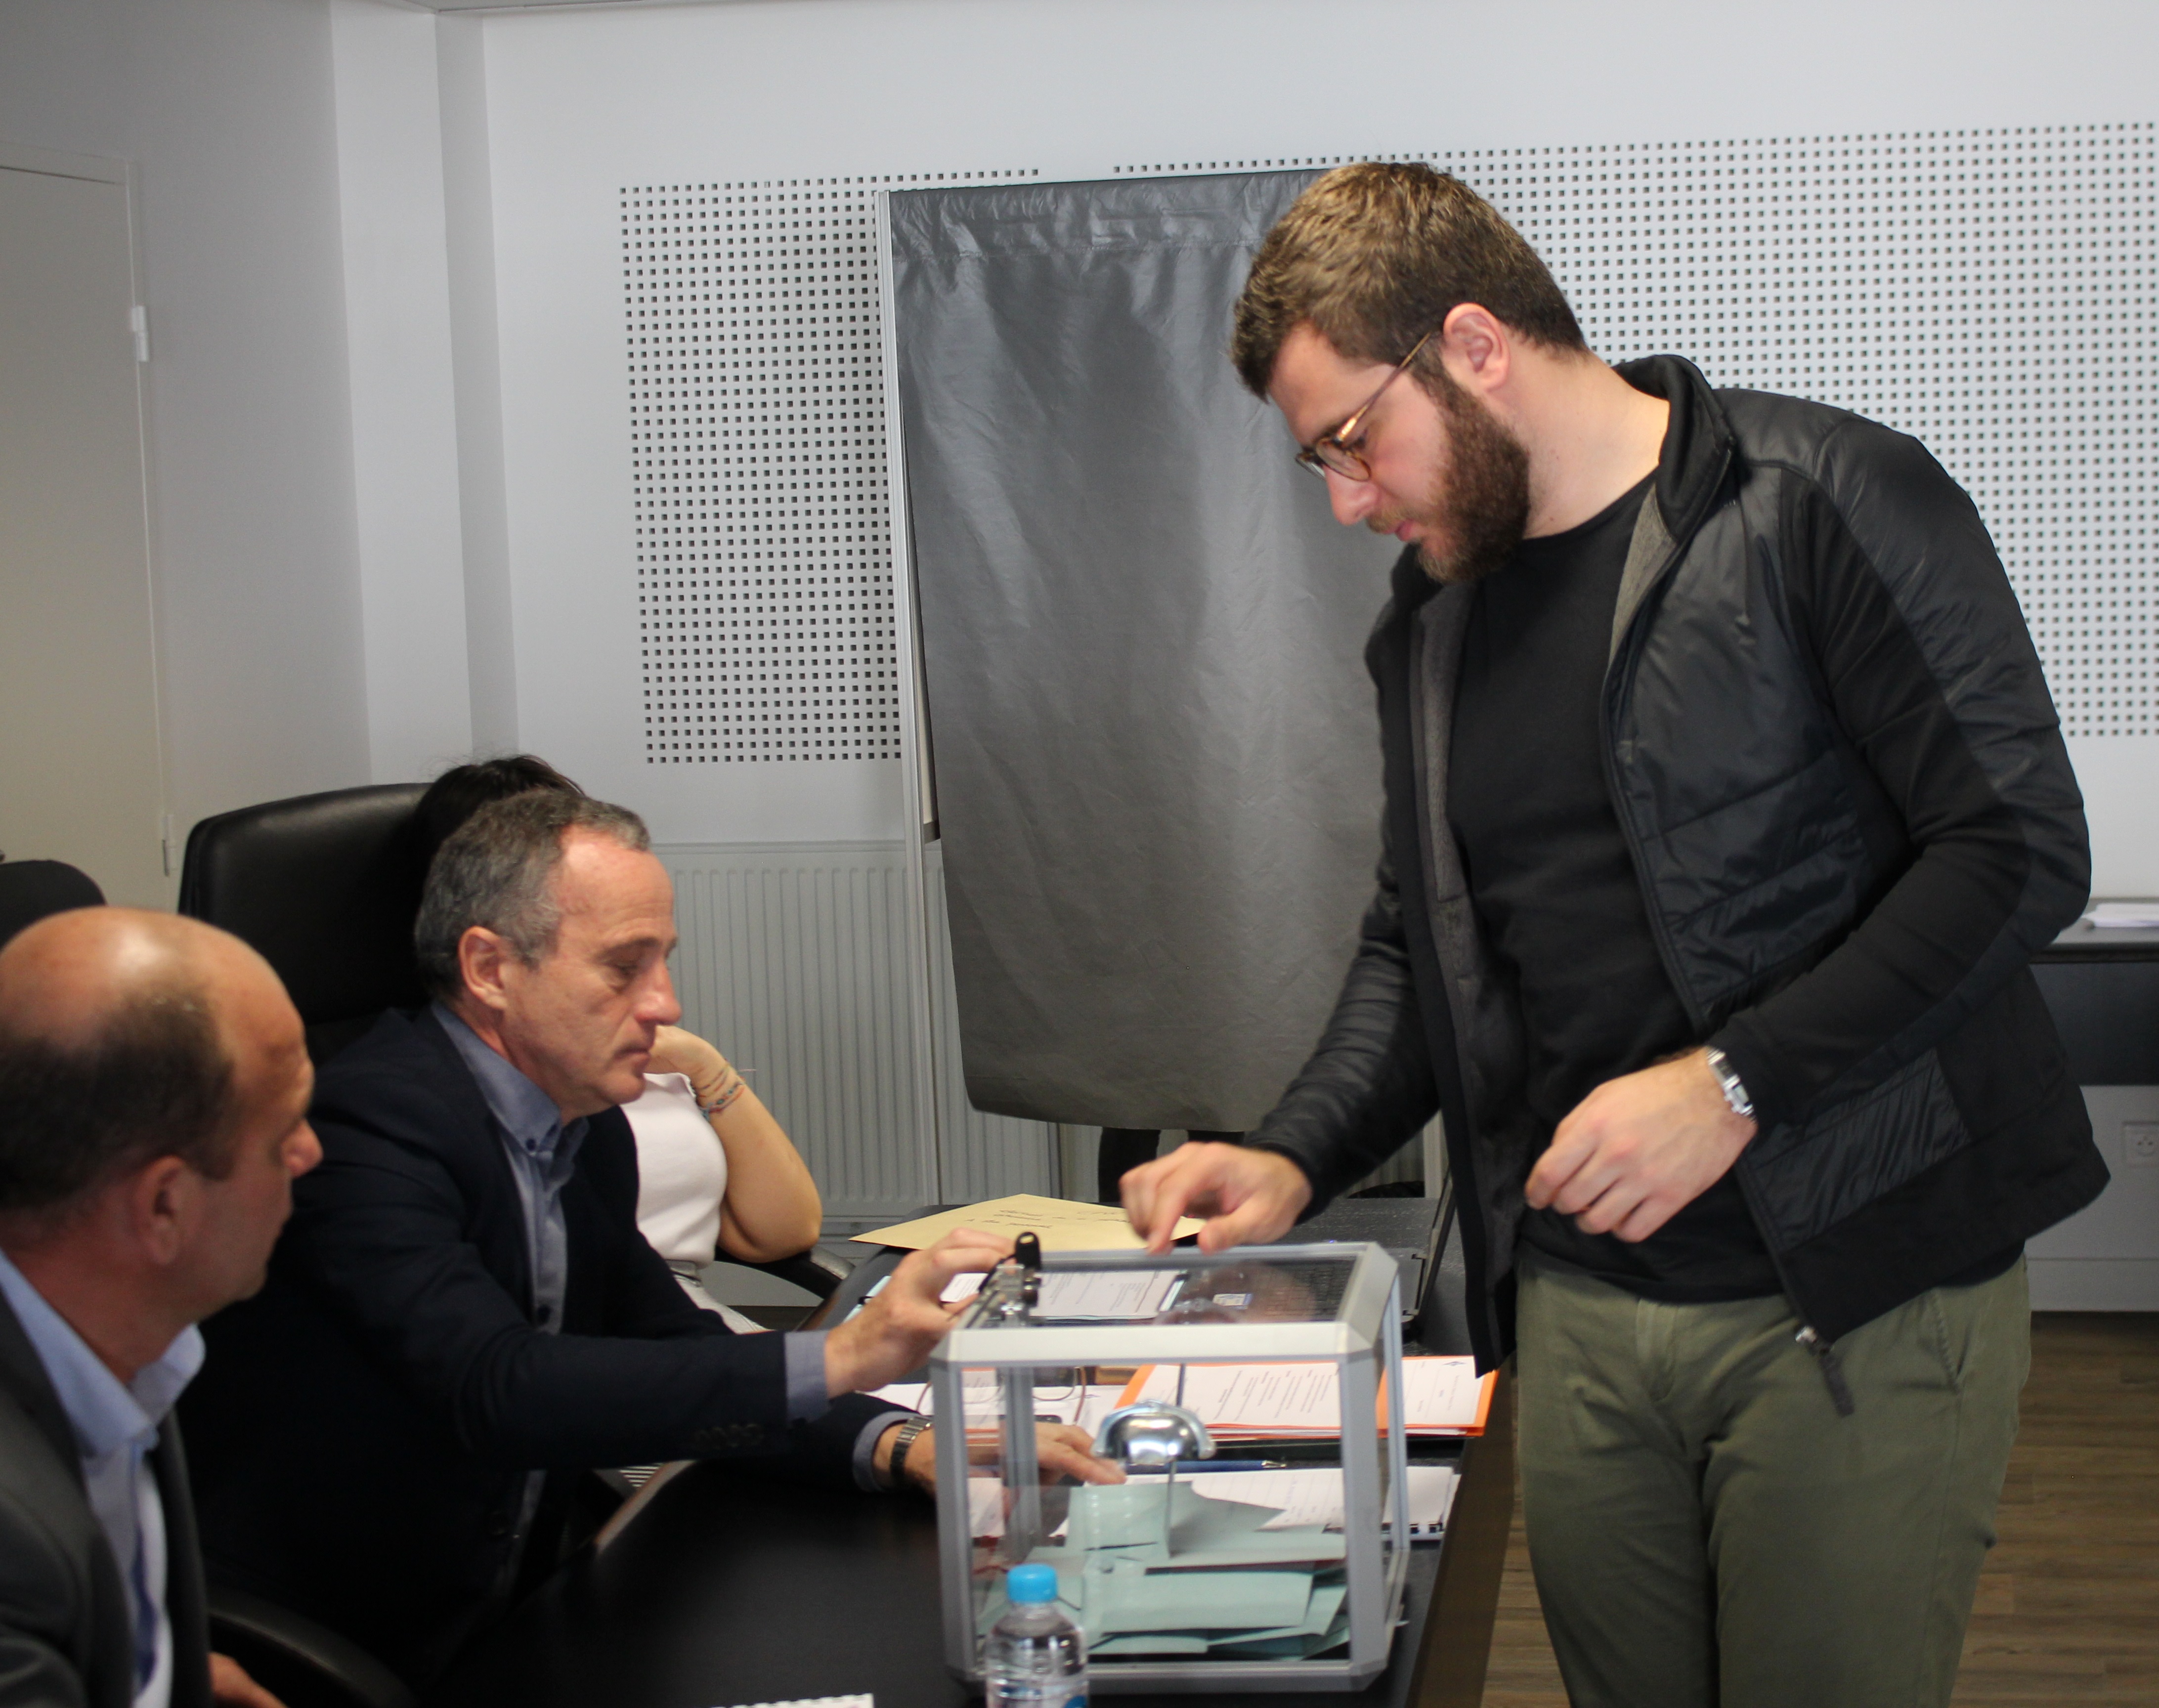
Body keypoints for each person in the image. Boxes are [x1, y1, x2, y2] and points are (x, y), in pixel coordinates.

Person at [1123, 162, 2107, 1708]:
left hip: (1859, 1290)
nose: (1347, 502)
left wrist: (1734, 1084)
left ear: (1471, 345)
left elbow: (2016, 850)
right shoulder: (1430, 624)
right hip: (1579, 1312)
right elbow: (1422, 943)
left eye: (1349, 440)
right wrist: (1296, 1152)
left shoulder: (1821, 500)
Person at [184, 791, 1115, 1685]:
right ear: (490, 968)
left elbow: (672, 1338)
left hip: (521, 1602)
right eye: (623, 967)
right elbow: (496, 1386)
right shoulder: (366, 1129)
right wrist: (845, 1354)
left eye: (663, 961)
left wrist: (898, 1443)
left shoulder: (580, 1123)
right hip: (344, 1642)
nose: (665, 1003)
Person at [0, 908, 321, 1708]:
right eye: (284, 1130)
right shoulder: (11, 1552)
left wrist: (168, 1676)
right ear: (164, 1206)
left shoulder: (125, 1335)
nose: (311, 1153)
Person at [410, 758, 820, 1322]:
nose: (664, 1004)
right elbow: (515, 1353)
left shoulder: (604, 1094)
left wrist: (704, 1066)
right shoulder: (435, 1108)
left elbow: (782, 1234)